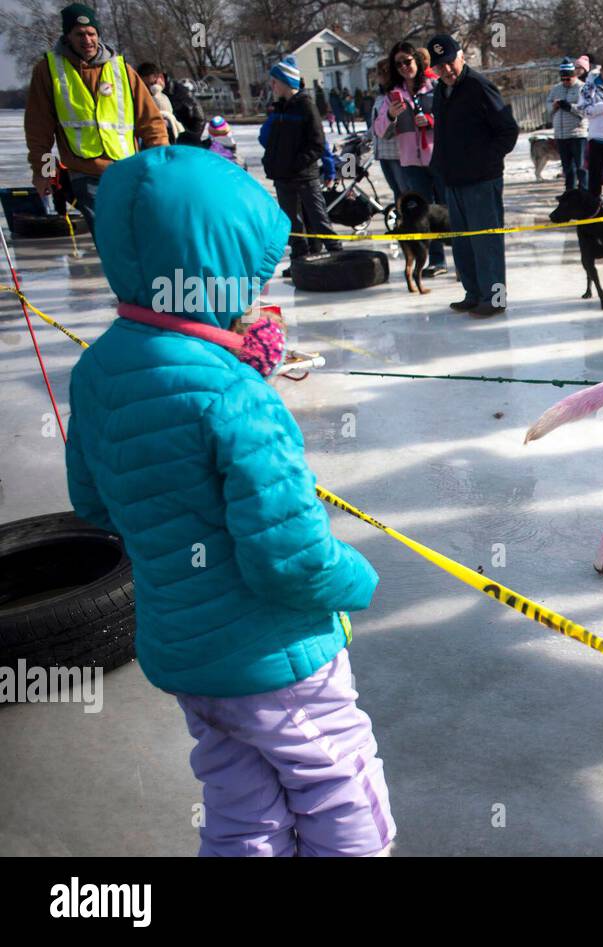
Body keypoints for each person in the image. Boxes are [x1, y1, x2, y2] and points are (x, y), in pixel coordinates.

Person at [66, 144, 392, 857]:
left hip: (186, 654)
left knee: (241, 806)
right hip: (277, 655)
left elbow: (91, 500)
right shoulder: (236, 399)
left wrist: (222, 351)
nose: (258, 289)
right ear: (207, 273)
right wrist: (356, 578)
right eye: (250, 273)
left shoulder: (96, 371)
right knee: (338, 783)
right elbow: (291, 558)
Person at [24, 3, 166, 235]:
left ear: (99, 35)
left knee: (143, 233)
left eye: (91, 33)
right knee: (110, 236)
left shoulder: (122, 69)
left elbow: (151, 122)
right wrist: (45, 173)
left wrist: (162, 163)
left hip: (127, 169)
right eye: (79, 34)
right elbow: (40, 130)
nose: (87, 40)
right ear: (67, 36)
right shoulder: (48, 71)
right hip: (85, 173)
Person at [427, 34, 520, 318]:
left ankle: (494, 298)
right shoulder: (440, 93)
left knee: (486, 242)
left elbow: (508, 131)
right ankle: (473, 293)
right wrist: (439, 165)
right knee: (463, 242)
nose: (447, 71)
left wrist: (486, 162)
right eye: (440, 67)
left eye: (450, 63)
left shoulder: (479, 87)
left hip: (482, 180)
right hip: (454, 179)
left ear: (461, 56)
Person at [373, 41, 448, 276]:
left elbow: (453, 117)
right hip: (411, 162)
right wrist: (390, 115)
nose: (404, 66)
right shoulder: (392, 95)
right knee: (423, 213)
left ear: (416, 60)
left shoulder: (435, 87)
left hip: (438, 156)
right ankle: (437, 260)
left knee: (448, 207)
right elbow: (380, 131)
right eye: (399, 64)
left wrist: (432, 120)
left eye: (408, 61)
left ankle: (463, 255)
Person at [261, 55, 336, 272]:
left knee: (318, 217)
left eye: (274, 81)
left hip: (304, 176)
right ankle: (300, 258)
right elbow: (271, 141)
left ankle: (336, 253)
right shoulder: (279, 108)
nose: (272, 86)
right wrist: (271, 163)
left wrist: (297, 165)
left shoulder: (305, 106)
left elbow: (317, 143)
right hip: (282, 177)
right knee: (290, 222)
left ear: (285, 82)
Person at [547, 59, 589, 191]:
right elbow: (547, 105)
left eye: (568, 79)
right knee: (567, 169)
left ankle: (584, 192)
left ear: (574, 75)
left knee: (581, 167)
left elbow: (586, 110)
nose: (565, 82)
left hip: (577, 134)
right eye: (563, 79)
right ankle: (569, 193)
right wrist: (553, 106)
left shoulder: (582, 88)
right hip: (561, 135)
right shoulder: (556, 89)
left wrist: (570, 107)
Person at [579, 58, 603, 196]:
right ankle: (594, 208)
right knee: (595, 179)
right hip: (597, 138)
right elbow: (584, 110)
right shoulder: (590, 87)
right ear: (602, 73)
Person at [369, 59, 405, 201]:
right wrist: (367, 136)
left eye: (379, 73)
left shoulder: (396, 95)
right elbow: (376, 123)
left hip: (396, 153)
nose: (377, 77)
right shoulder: (380, 97)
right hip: (383, 152)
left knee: (404, 192)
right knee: (396, 192)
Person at [137, 62, 181, 143]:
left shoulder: (177, 92)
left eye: (152, 84)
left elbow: (196, 121)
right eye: (144, 86)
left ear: (160, 78)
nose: (148, 89)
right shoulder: (140, 97)